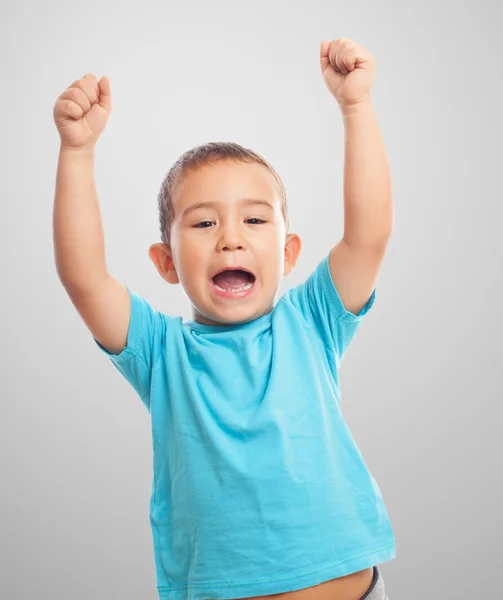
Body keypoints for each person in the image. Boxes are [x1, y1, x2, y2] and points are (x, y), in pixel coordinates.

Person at [52, 38, 395, 600]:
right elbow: (84, 278)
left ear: (287, 253)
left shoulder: (311, 323)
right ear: (165, 263)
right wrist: (77, 152)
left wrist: (356, 108)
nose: (231, 238)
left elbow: (369, 233)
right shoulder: (162, 353)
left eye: (255, 220)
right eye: (204, 224)